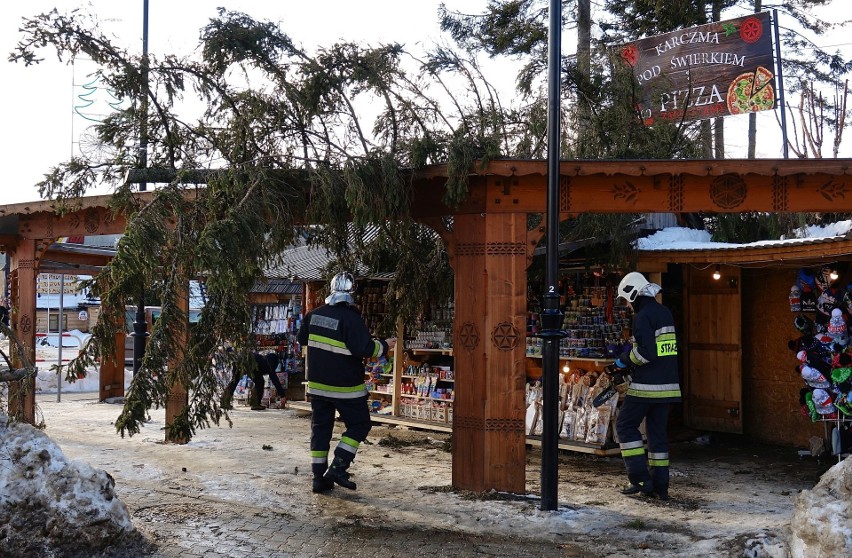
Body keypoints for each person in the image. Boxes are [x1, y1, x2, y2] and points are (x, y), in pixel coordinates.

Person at [297, 271, 395, 494]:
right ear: (352, 293)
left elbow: (302, 339)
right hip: (346, 387)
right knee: (360, 424)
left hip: (318, 386)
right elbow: (366, 349)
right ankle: (338, 467)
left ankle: (317, 479)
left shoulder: (313, 315)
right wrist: (386, 344)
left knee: (320, 429)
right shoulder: (351, 319)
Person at [609, 271, 681, 500]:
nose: (629, 305)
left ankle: (640, 478)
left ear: (633, 293)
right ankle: (661, 486)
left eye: (628, 300)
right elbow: (662, 351)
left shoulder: (643, 316)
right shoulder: (664, 312)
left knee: (625, 425)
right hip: (668, 385)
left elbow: (648, 352)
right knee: (657, 434)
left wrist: (624, 360)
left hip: (647, 387)